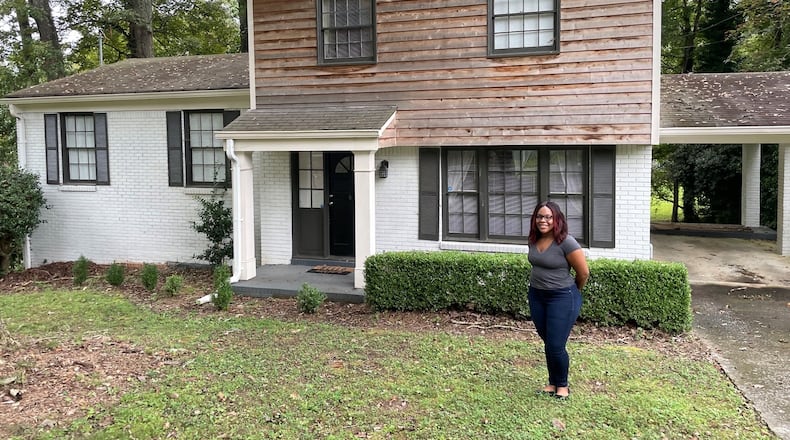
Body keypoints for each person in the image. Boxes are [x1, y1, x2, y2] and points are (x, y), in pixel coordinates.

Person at [527, 201, 590, 400]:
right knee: (549, 342)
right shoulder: (533, 240)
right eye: (539, 216)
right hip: (537, 295)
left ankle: (562, 386)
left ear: (557, 219)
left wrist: (574, 293)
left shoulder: (566, 242)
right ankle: (552, 382)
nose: (543, 220)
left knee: (556, 345)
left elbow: (583, 273)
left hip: (562, 297)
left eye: (548, 217)